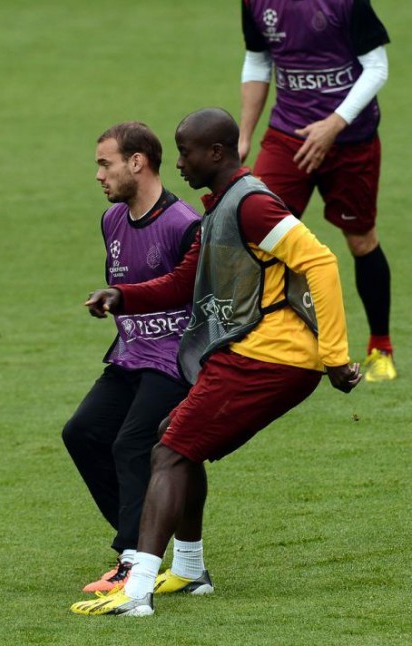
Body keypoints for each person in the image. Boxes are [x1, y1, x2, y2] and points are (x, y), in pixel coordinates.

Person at [70, 108, 361, 617]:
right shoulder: (222, 208)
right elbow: (184, 282)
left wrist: (335, 357)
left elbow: (320, 261)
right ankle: (187, 570)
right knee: (178, 439)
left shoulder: (251, 206)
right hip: (251, 352)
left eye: (186, 152)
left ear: (218, 153)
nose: (178, 162)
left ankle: (137, 590)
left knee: (167, 449)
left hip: (272, 358)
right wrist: (123, 295)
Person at [62, 121, 202, 594]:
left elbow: (193, 297)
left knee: (131, 444)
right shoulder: (112, 221)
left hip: (174, 360)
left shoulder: (184, 224)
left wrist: (124, 297)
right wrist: (112, 303)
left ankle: (132, 559)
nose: (99, 175)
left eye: (106, 164)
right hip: (132, 355)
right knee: (82, 432)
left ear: (137, 162)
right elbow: (128, 284)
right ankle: (146, 535)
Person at [238, 0, 395, 382]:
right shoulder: (255, 3)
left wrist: (334, 124)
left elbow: (377, 67)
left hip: (351, 141)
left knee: (360, 240)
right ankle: (264, 343)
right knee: (258, 235)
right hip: (288, 136)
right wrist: (244, 137)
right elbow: (258, 61)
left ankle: (380, 348)